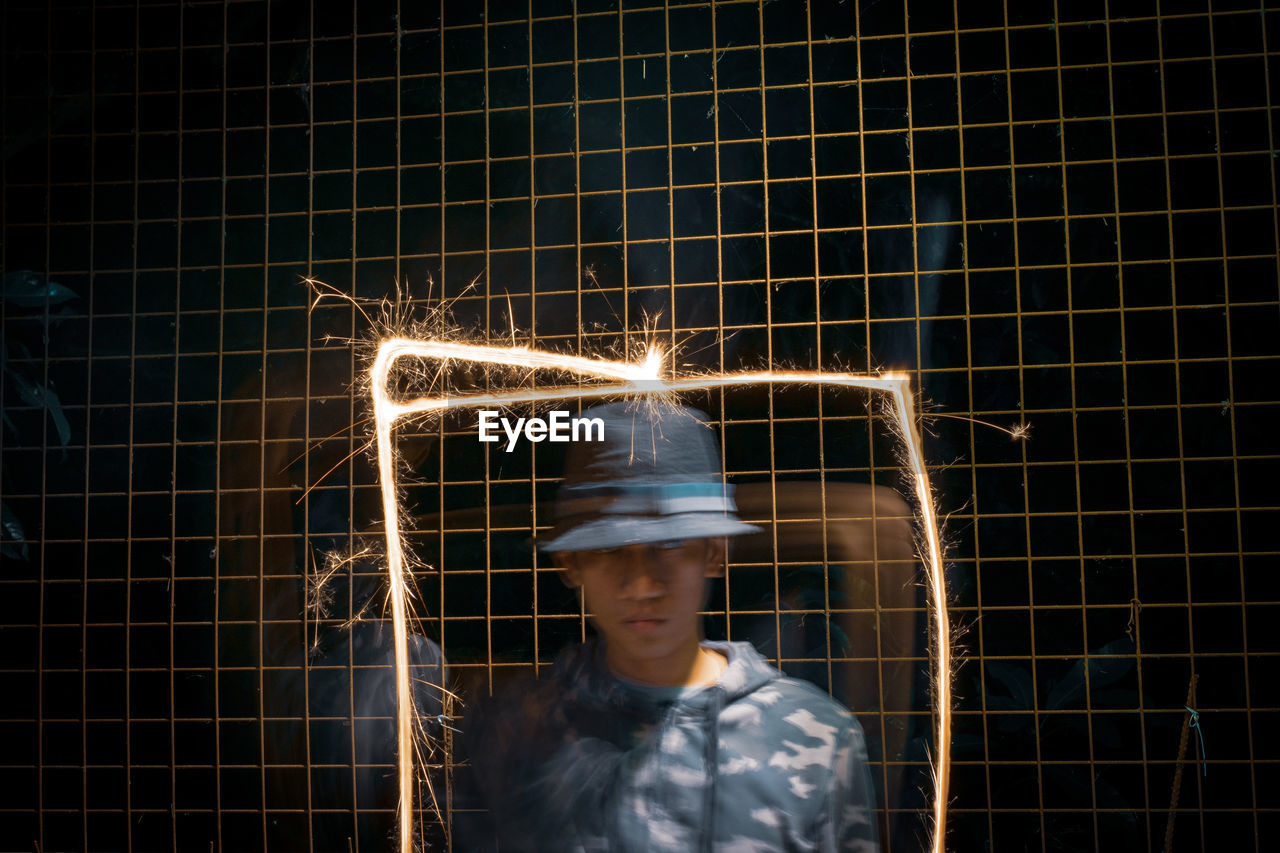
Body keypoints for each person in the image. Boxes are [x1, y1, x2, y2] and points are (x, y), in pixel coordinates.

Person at [457, 401, 879, 852]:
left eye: (671, 544)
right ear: (569, 563)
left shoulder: (816, 738)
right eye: (607, 548)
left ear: (715, 553)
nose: (642, 584)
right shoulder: (510, 731)